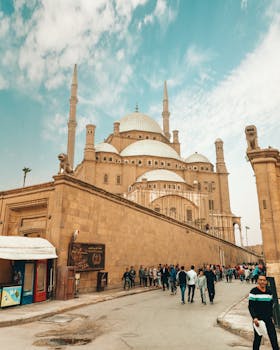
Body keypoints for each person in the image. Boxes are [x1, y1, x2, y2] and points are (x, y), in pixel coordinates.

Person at [248, 275, 279, 350]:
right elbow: (250, 306)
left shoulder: (269, 292)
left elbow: (270, 306)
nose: (262, 282)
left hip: (268, 318)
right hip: (258, 320)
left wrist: (272, 317)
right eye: (260, 280)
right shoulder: (253, 291)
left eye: (264, 280)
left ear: (266, 282)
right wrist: (254, 318)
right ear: (258, 281)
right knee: (258, 339)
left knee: (273, 338)